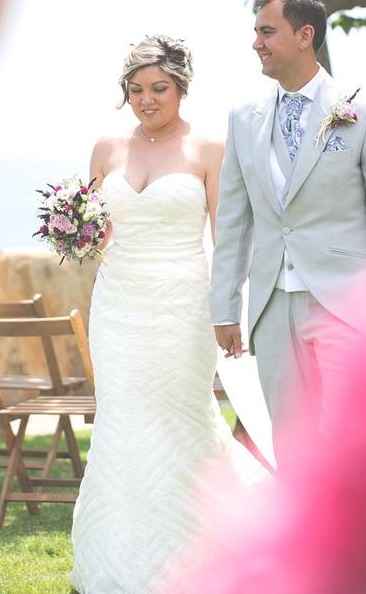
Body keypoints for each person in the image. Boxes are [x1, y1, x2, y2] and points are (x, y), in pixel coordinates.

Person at [70, 35, 265, 594]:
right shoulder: (106, 148)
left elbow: (226, 239)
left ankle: (208, 557)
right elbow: (95, 230)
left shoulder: (209, 150)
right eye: (135, 90)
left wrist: (228, 313)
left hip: (183, 306)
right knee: (121, 422)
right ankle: (118, 563)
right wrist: (74, 232)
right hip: (117, 306)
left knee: (182, 420)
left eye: (158, 88)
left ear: (181, 87)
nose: (146, 100)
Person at [209, 0, 366, 466]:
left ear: (305, 35)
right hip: (272, 306)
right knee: (292, 441)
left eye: (267, 31)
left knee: (355, 438)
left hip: (346, 302)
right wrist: (225, 306)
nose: (256, 43)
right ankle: (312, 539)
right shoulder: (244, 117)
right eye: (256, 32)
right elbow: (234, 219)